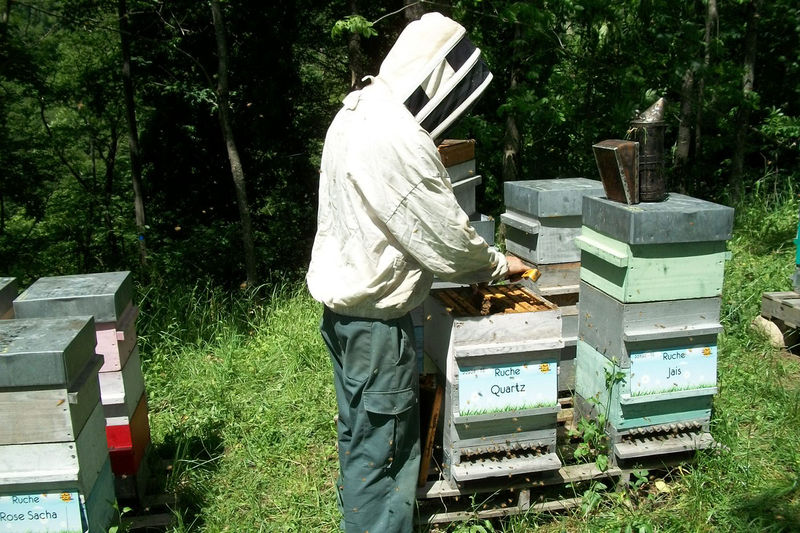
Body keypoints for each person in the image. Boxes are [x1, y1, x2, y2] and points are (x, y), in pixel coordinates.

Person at [306, 12, 529, 533]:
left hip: (344, 315)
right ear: (435, 75)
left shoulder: (355, 110)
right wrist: (499, 263)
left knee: (359, 435)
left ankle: (357, 516)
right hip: (377, 330)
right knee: (385, 455)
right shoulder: (396, 137)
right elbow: (447, 242)